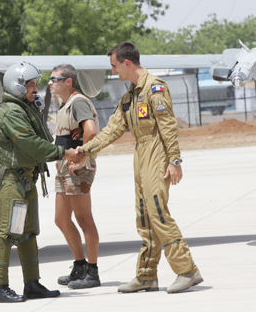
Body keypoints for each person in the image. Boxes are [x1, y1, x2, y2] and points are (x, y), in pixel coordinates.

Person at [76, 42, 203, 294]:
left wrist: (174, 160)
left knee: (157, 211)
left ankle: (187, 270)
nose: (113, 72)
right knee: (144, 216)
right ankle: (146, 276)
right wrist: (85, 150)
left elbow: (168, 126)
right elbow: (112, 129)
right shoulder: (129, 97)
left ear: (126, 63)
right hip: (141, 154)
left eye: (114, 66)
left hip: (157, 152)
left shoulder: (155, 87)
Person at [0, 62, 83, 303]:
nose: (36, 89)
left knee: (28, 232)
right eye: (31, 85)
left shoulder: (25, 108)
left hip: (27, 179)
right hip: (13, 180)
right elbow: (30, 144)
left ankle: (32, 284)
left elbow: (43, 139)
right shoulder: (11, 112)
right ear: (17, 86)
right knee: (8, 233)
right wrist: (63, 153)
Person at [48, 64, 101, 289]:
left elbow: (90, 130)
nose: (50, 82)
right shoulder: (65, 104)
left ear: (68, 81)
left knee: (83, 219)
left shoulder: (78, 102)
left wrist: (82, 158)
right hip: (64, 168)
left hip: (77, 168)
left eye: (54, 79)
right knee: (61, 219)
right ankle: (79, 266)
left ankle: (92, 271)